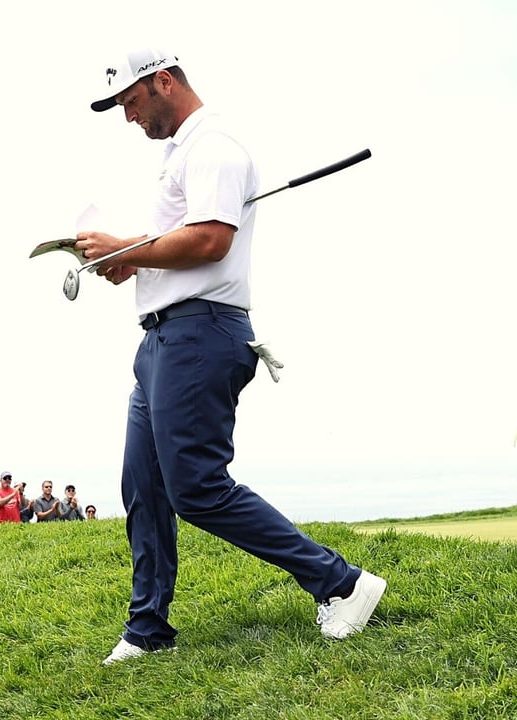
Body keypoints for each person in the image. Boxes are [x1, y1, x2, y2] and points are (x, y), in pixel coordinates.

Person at [76, 48, 386, 663]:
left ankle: (343, 583)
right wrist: (130, 258)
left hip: (199, 334)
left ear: (163, 82)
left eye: (131, 102)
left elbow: (212, 241)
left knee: (196, 487)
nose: (129, 117)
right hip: (162, 339)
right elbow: (186, 239)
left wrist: (130, 247)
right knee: (145, 485)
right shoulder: (180, 155)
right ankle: (147, 629)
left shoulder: (213, 146)